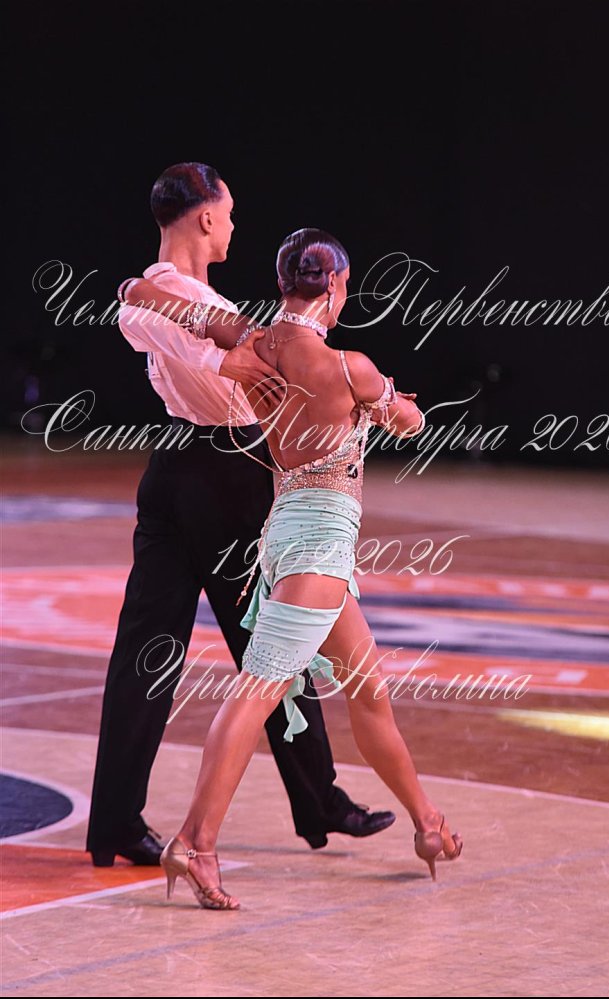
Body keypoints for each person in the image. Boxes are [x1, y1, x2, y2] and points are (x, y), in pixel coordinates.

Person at [123, 226, 463, 910]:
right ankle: (194, 841)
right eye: (345, 286)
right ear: (333, 285)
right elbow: (412, 423)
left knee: (368, 691)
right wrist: (393, 398)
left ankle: (428, 825)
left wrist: (137, 286)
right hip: (318, 551)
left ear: (284, 284)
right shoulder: (350, 368)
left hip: (288, 540)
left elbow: (147, 297)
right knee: (256, 691)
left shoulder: (254, 343)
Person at [85, 164, 396, 868]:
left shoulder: (164, 295)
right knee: (276, 645)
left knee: (152, 650)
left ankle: (116, 824)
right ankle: (318, 800)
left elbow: (220, 337)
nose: (232, 225)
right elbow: (221, 343)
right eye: (227, 214)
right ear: (204, 218)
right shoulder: (165, 293)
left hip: (181, 470)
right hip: (222, 472)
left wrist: (151, 299)